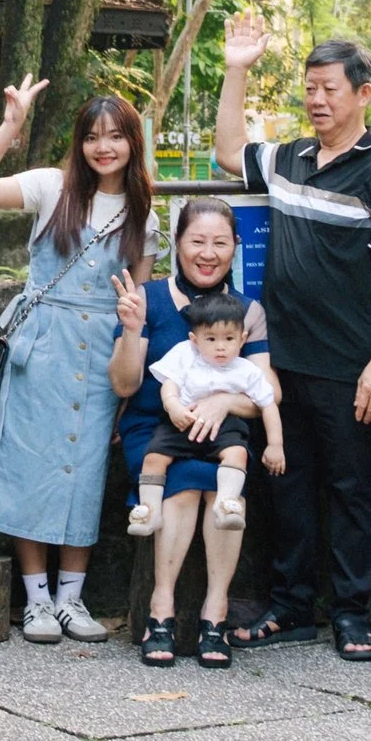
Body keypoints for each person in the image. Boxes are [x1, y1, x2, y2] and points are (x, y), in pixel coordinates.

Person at [212, 20, 371, 662]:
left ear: (363, 93)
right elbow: (227, 152)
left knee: (351, 488)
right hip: (280, 362)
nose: (317, 99)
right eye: (309, 88)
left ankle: (353, 614)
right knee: (287, 482)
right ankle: (292, 607)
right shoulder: (290, 157)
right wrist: (237, 66)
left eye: (328, 88)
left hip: (349, 364)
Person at [0, 78, 157, 643]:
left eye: (115, 136)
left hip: (103, 351)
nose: (103, 147)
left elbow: (136, 304)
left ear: (132, 143)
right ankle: (36, 600)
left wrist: (128, 371)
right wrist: (11, 126)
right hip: (42, 345)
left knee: (83, 470)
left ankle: (73, 598)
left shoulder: (145, 214)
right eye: (93, 137)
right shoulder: (52, 186)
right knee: (31, 466)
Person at [108, 197, 272, 670]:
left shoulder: (247, 311)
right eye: (196, 241)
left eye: (220, 242)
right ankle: (161, 608)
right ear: (177, 244)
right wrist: (131, 331)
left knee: (217, 482)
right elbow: (124, 384)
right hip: (154, 428)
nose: (208, 252)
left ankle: (214, 612)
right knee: (183, 483)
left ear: (235, 247)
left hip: (225, 431)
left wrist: (223, 402)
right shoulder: (147, 298)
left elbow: (266, 395)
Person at [128, 292, 284, 535]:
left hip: (225, 428)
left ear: (242, 340)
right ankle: (149, 510)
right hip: (182, 422)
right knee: (154, 457)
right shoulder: (185, 354)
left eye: (229, 338)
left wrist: (275, 444)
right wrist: (173, 406)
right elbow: (170, 383)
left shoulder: (247, 370)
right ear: (194, 339)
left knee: (238, 453)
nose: (220, 346)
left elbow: (268, 404)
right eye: (210, 338)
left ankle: (227, 504)